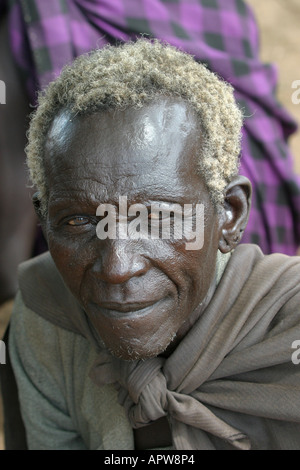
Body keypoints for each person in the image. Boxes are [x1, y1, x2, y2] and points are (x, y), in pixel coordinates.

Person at [6, 39, 300, 450]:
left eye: (157, 218)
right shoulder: (48, 316)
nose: (117, 266)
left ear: (229, 214)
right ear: (45, 221)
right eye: (77, 221)